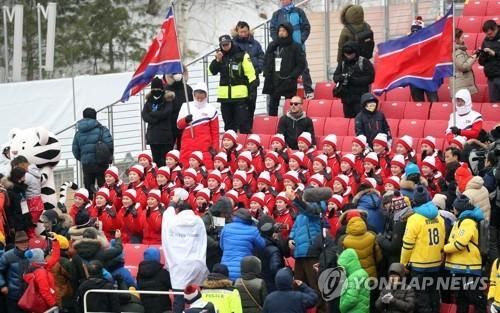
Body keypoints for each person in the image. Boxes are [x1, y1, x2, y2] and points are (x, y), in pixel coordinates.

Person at [161, 188, 209, 313]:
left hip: (179, 266)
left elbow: (166, 216)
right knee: (198, 298)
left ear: (178, 210)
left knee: (179, 300)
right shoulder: (198, 220)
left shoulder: (172, 220)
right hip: (196, 264)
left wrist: (173, 202)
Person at [400, 186, 445, 313]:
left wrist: (403, 263)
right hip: (436, 262)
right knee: (434, 294)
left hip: (419, 265)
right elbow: (442, 240)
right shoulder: (439, 217)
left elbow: (407, 245)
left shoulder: (414, 219)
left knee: (421, 297)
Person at [443, 195, 487, 313]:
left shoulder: (467, 222)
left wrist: (444, 248)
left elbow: (460, 244)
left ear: (459, 208)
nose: (453, 210)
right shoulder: (461, 220)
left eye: (455, 208)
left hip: (468, 267)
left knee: (474, 296)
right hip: (461, 267)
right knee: (461, 299)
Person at [209, 34, 256, 133]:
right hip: (225, 98)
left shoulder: (242, 55)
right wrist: (217, 61)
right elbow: (211, 72)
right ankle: (231, 147)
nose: (225, 46)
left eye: (227, 44)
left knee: (244, 125)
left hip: (240, 97)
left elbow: (251, 75)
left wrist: (252, 92)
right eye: (223, 45)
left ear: (231, 42)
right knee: (229, 126)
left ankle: (247, 145)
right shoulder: (220, 56)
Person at [270, 0, 313, 98]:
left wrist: (301, 40)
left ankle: (309, 91)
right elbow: (272, 29)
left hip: (298, 47)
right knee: (283, 69)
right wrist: (278, 42)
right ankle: (285, 93)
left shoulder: (299, 11)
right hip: (283, 49)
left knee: (303, 68)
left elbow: (306, 27)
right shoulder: (277, 14)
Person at [263, 23, 306, 116]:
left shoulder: (296, 46)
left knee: (290, 105)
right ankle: (272, 124)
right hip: (274, 80)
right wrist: (266, 72)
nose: (281, 33)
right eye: (280, 31)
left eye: (283, 31)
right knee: (273, 105)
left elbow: (301, 64)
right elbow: (266, 59)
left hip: (288, 80)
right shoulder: (273, 45)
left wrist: (292, 76)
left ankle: (289, 123)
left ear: (289, 32)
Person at [72, 107, 114, 199]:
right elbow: (109, 144)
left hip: (87, 164)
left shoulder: (78, 133)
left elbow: (75, 150)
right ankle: (103, 208)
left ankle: (90, 207)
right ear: (95, 116)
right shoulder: (102, 129)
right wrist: (108, 157)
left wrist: (83, 158)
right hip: (101, 162)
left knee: (88, 188)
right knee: (103, 188)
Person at [177, 82, 219, 168]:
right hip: (188, 146)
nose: (199, 98)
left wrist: (215, 148)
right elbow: (178, 125)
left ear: (206, 95)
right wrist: (185, 120)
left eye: (202, 96)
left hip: (205, 147)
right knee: (186, 172)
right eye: (197, 96)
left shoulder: (211, 109)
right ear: (194, 95)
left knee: (205, 172)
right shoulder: (186, 106)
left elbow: (215, 132)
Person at [232, 21, 265, 128]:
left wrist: (258, 69)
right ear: (237, 31)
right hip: (239, 80)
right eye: (241, 32)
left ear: (248, 31)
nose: (243, 34)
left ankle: (250, 127)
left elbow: (261, 56)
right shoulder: (233, 44)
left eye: (245, 31)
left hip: (253, 79)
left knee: (251, 104)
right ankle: (240, 128)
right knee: (240, 106)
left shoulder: (255, 43)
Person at [220, 208, 265, 280]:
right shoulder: (253, 230)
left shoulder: (226, 227)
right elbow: (262, 246)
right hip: (244, 271)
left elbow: (222, 246)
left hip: (225, 270)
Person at [333, 41, 375, 118]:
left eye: (351, 54)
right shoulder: (342, 63)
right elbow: (335, 77)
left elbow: (370, 78)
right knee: (348, 121)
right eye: (346, 54)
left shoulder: (363, 62)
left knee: (360, 119)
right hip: (346, 98)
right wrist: (343, 77)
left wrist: (354, 80)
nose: (349, 56)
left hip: (360, 98)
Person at [141, 77, 176, 167]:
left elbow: (166, 113)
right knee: (156, 162)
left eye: (158, 89)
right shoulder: (149, 101)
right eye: (154, 89)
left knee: (166, 161)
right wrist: (155, 118)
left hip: (165, 137)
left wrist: (152, 114)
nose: (156, 91)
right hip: (153, 137)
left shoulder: (167, 99)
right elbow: (144, 115)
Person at [164, 67, 194, 150]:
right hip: (170, 125)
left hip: (185, 123)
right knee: (169, 151)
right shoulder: (166, 89)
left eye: (179, 72)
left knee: (184, 148)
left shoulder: (187, 88)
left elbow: (192, 105)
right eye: (174, 73)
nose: (177, 75)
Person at [0, 231, 30, 313]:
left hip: (28, 294)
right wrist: (2, 285)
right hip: (13, 295)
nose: (24, 244)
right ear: (16, 243)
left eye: (26, 241)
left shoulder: (32, 254)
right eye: (21, 242)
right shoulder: (8, 256)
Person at [136, 247, 172, 313]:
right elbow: (173, 286)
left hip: (145, 308)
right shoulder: (163, 272)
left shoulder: (140, 274)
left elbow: (138, 287)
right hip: (163, 309)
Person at [337, 248, 370, 313]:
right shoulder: (363, 273)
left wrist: (342, 308)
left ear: (347, 265)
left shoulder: (352, 278)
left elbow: (351, 299)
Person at [478, 20, 500, 102]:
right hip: (491, 77)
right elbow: (481, 62)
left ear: (495, 29)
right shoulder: (486, 40)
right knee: (494, 103)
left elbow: (495, 54)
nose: (488, 36)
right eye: (487, 34)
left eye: (490, 34)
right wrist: (482, 55)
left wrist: (494, 53)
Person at [453, 28, 478, 95]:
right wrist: (473, 57)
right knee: (463, 105)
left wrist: (472, 56)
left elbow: (463, 61)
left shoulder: (459, 49)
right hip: (460, 84)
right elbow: (463, 66)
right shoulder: (456, 51)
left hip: (462, 83)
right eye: (462, 38)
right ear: (456, 39)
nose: (463, 40)